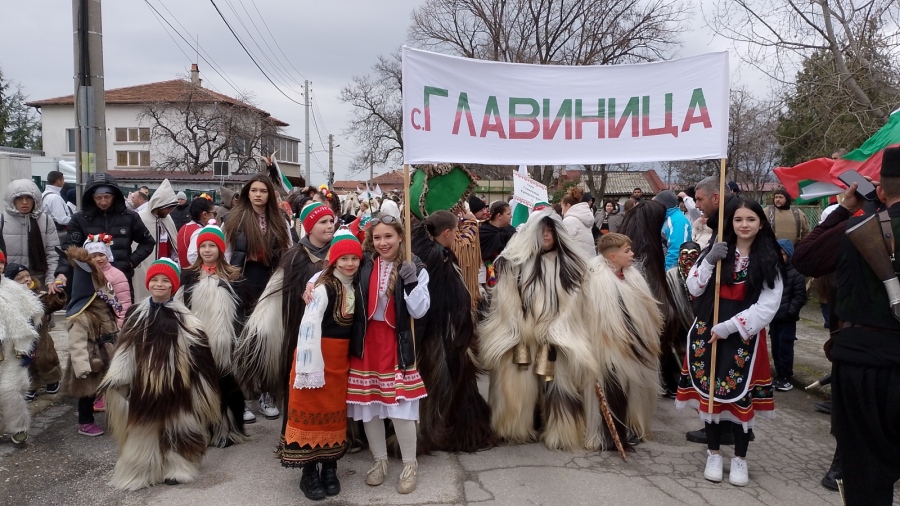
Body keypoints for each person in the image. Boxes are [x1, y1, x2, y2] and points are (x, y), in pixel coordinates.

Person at [794, 147, 900, 504]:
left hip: (862, 365)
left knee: (866, 479)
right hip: (869, 360)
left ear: (880, 189)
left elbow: (806, 258)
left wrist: (845, 208)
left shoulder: (858, 225)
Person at [675, 198, 783, 487]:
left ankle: (740, 458)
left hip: (744, 335)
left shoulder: (769, 259)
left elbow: (768, 305)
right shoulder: (717, 251)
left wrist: (731, 326)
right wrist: (709, 261)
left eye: (750, 219)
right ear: (730, 223)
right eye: (738, 220)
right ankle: (713, 453)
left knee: (739, 395)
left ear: (761, 223)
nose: (744, 225)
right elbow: (694, 287)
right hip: (708, 330)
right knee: (711, 393)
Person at [479, 209, 597, 451]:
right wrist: (520, 327)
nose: (546, 235)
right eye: (542, 230)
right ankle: (516, 426)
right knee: (519, 379)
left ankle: (558, 429)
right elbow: (505, 300)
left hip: (556, 337)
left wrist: (555, 328)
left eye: (551, 230)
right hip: (520, 336)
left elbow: (576, 302)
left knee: (556, 381)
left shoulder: (571, 267)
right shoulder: (513, 264)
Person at [101, 259, 221, 490]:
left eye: (165, 280)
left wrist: (200, 386)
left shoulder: (187, 319)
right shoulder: (136, 315)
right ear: (147, 283)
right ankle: (141, 470)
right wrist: (119, 377)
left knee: (178, 426)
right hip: (144, 385)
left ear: (173, 285)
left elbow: (201, 356)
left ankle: (179, 466)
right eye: (155, 279)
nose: (159, 284)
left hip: (177, 386)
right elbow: (125, 348)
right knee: (143, 427)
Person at [348, 215, 430, 495]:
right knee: (369, 407)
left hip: (396, 342)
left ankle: (409, 464)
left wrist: (411, 281)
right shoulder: (364, 264)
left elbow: (420, 310)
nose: (383, 243)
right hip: (366, 342)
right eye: (377, 238)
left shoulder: (415, 266)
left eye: (388, 237)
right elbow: (334, 275)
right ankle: (379, 460)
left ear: (400, 237)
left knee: (400, 409)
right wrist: (313, 284)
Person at [235, 201, 335, 428]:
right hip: (300, 332)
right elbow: (275, 296)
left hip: (332, 331)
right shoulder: (296, 257)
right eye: (323, 222)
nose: (330, 226)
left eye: (331, 221)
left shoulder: (338, 252)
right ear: (309, 227)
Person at [284, 229, 362, 500]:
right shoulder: (322, 288)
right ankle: (308, 473)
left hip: (340, 362)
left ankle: (330, 468)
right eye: (344, 259)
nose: (349, 264)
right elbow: (309, 326)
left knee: (334, 414)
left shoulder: (356, 286)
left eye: (354, 258)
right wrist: (309, 368)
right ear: (334, 261)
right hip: (316, 359)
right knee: (310, 410)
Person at [411, 210, 495, 453]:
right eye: (456, 231)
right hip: (441, 338)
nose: (457, 235)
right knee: (444, 387)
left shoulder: (438, 254)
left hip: (449, 335)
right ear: (447, 232)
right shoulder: (434, 259)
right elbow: (436, 302)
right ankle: (436, 430)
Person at [581, 233, 662, 450]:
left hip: (634, 346)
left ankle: (631, 425)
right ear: (613, 256)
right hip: (608, 347)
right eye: (627, 251)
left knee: (634, 388)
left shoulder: (633, 277)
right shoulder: (594, 280)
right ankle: (607, 431)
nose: (632, 254)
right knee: (611, 388)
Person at [176, 221, 251, 448]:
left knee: (226, 385)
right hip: (198, 342)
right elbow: (181, 309)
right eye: (203, 246)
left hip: (226, 343)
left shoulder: (235, 279)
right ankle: (203, 429)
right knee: (199, 386)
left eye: (212, 246)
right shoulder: (188, 277)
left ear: (220, 249)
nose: (207, 250)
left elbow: (243, 313)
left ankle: (228, 430)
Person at [62, 245, 123, 437]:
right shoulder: (81, 318)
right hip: (91, 359)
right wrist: (81, 366)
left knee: (112, 388)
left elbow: (114, 329)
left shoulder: (105, 310)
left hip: (108, 354)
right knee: (88, 393)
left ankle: (116, 417)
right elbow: (77, 343)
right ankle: (85, 421)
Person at [58, 173, 155, 291]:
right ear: (91, 197)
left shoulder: (130, 217)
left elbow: (148, 242)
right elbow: (69, 249)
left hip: (121, 278)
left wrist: (130, 262)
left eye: (107, 197)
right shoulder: (79, 219)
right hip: (89, 279)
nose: (103, 202)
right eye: (98, 198)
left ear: (115, 196)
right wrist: (62, 272)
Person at [5, 263, 66, 403]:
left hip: (42, 339)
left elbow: (51, 304)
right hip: (22, 340)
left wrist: (56, 294)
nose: (26, 279)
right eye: (20, 278)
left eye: (27, 276)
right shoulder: (9, 301)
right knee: (26, 365)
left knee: (46, 361)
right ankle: (31, 386)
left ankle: (52, 380)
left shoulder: (38, 296)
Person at [0, 250, 43, 444]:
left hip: (11, 347)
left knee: (11, 388)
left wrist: (25, 345)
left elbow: (33, 313)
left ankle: (18, 426)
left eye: (1, 263)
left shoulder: (14, 289)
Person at [2, 179, 63, 293]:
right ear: (11, 200)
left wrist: (51, 280)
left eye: (29, 198)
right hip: (8, 284)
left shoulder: (45, 221)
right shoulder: (2, 221)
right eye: (19, 198)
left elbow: (53, 254)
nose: (24, 202)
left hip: (39, 283)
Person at [132, 180, 180, 301]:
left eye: (172, 208)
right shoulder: (141, 218)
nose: (170, 211)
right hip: (145, 265)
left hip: (165, 266)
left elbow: (174, 243)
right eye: (168, 208)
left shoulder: (168, 219)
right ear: (159, 205)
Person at [769, 239, 807, 392]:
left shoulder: (796, 274)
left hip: (787, 319)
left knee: (785, 348)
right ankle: (779, 375)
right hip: (773, 317)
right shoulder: (773, 273)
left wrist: (791, 311)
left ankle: (786, 376)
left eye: (783, 254)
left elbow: (800, 296)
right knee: (775, 348)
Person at [479, 201, 516, 289]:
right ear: (499, 216)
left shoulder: (511, 231)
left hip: (510, 277)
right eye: (508, 214)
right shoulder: (482, 233)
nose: (511, 216)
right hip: (488, 279)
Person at [654, 190, 692, 270]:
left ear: (663, 204)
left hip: (672, 271)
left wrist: (667, 273)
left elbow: (676, 250)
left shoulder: (677, 221)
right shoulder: (667, 217)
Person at [179, 195, 217, 267]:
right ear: (204, 215)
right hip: (194, 271)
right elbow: (192, 256)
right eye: (214, 213)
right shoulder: (199, 231)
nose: (215, 217)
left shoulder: (184, 227)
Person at [560, 187, 596, 258]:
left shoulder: (570, 220)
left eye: (562, 207)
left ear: (567, 205)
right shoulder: (583, 218)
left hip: (577, 260)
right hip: (588, 258)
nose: (562, 211)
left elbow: (563, 243)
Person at [42, 170, 73, 245]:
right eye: (63, 180)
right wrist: (76, 220)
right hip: (57, 234)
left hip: (47, 232)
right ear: (58, 181)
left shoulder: (43, 195)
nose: (63, 183)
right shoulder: (54, 197)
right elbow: (62, 219)